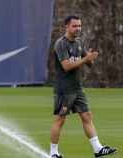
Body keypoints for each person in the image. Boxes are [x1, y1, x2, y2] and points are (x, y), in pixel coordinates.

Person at [50, 15, 117, 158]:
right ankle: (53, 153)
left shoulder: (79, 42)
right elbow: (66, 66)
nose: (78, 29)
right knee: (61, 119)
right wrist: (86, 58)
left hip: (77, 88)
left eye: (79, 26)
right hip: (64, 89)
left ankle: (98, 149)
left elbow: (88, 62)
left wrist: (91, 58)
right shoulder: (61, 44)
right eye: (74, 26)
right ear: (66, 27)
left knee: (87, 116)